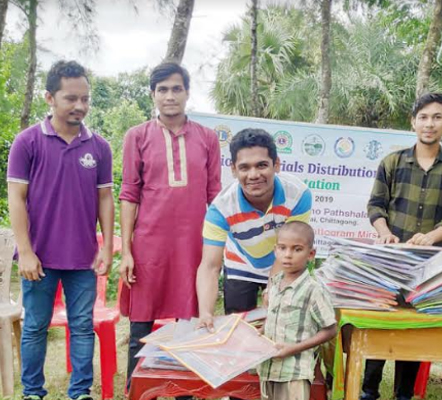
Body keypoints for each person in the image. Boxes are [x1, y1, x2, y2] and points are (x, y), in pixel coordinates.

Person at [8, 60, 114, 400]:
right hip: (38, 259)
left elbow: (105, 199)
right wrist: (24, 251)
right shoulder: (27, 142)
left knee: (82, 327)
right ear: (49, 98)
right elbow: (17, 199)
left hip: (83, 259)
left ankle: (80, 391)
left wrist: (107, 246)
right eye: (71, 98)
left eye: (85, 99)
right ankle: (33, 393)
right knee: (36, 327)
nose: (80, 106)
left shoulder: (99, 147)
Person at [118, 62, 222, 385]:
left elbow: (215, 195)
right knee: (141, 325)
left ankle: (185, 390)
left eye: (177, 88)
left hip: (193, 247)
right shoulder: (137, 136)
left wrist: (217, 251)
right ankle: (137, 388)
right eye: (162, 90)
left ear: (187, 93)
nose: (170, 96)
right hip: (149, 245)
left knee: (189, 325)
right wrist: (127, 251)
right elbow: (129, 194)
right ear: (153, 95)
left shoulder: (207, 138)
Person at [363, 92, 442, 400]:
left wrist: (432, 236)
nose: (429, 123)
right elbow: (376, 205)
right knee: (381, 323)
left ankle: (404, 394)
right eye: (423, 117)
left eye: (437, 117)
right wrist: (383, 231)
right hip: (390, 261)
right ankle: (369, 390)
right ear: (413, 122)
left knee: (414, 328)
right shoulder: (393, 162)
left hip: (429, 265)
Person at [196, 128, 312, 326]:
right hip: (241, 261)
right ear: (233, 170)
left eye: (262, 165)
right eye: (244, 167)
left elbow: (289, 248)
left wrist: (272, 288)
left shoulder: (298, 195)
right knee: (238, 329)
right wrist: (205, 313)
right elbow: (210, 266)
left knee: (282, 325)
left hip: (285, 258)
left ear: (276, 165)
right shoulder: (221, 209)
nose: (254, 175)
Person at [257, 221, 337, 400]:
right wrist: (260, 333)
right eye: (282, 248)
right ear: (275, 250)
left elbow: (330, 330)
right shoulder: (275, 284)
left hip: (295, 373)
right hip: (268, 369)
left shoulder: (313, 290)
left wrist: (293, 348)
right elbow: (273, 317)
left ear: (311, 254)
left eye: (297, 249)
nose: (288, 255)